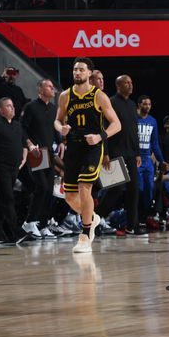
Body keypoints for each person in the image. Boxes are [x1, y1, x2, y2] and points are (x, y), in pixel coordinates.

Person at [54, 57, 122, 254]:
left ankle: (85, 234)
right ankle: (92, 218)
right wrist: (62, 128)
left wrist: (100, 136)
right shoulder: (65, 96)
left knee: (85, 188)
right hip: (73, 148)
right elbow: (57, 121)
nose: (77, 73)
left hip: (92, 147)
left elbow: (117, 124)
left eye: (81, 70)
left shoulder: (99, 96)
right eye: (75, 69)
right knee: (69, 196)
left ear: (89, 73)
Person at [96, 75, 142, 234]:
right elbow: (104, 129)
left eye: (131, 82)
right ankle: (96, 218)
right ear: (118, 85)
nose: (130, 85)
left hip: (131, 153)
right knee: (116, 188)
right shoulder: (111, 103)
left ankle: (132, 226)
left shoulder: (131, 104)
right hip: (115, 152)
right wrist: (106, 153)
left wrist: (137, 153)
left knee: (134, 188)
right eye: (126, 83)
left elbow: (134, 130)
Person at [20, 79, 63, 239]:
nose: (53, 89)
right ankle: (29, 222)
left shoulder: (53, 109)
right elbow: (22, 129)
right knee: (42, 187)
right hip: (37, 153)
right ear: (41, 89)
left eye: (53, 87)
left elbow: (55, 130)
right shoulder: (30, 107)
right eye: (50, 87)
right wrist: (30, 145)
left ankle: (43, 224)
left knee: (50, 189)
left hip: (49, 153)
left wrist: (61, 143)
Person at [0, 98, 28, 243]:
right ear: (1, 110)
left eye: (13, 105)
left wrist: (24, 159)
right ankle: (17, 232)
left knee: (2, 201)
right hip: (0, 168)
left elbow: (24, 143)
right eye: (9, 106)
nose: (12, 108)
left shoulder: (17, 125)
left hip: (14, 168)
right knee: (8, 198)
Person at [137, 95, 168, 226]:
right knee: (139, 189)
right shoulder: (133, 119)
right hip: (136, 159)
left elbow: (154, 144)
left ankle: (145, 215)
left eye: (149, 104)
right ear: (139, 105)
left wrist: (162, 161)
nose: (147, 106)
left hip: (147, 159)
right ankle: (136, 217)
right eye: (145, 104)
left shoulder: (153, 121)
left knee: (150, 189)